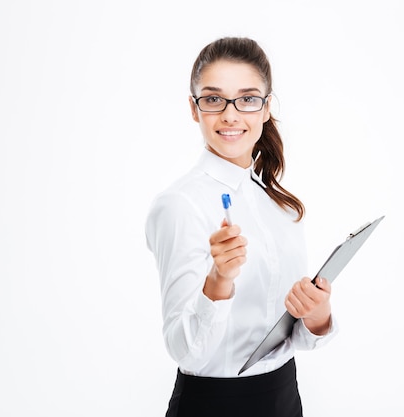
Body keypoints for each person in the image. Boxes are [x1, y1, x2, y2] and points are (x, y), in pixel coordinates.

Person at [145, 37, 338, 417]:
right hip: (215, 405)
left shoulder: (277, 203)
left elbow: (287, 334)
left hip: (284, 395)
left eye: (247, 99)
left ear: (265, 108)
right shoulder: (178, 206)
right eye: (214, 99)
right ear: (194, 108)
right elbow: (185, 352)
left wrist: (317, 315)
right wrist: (219, 282)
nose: (231, 115)